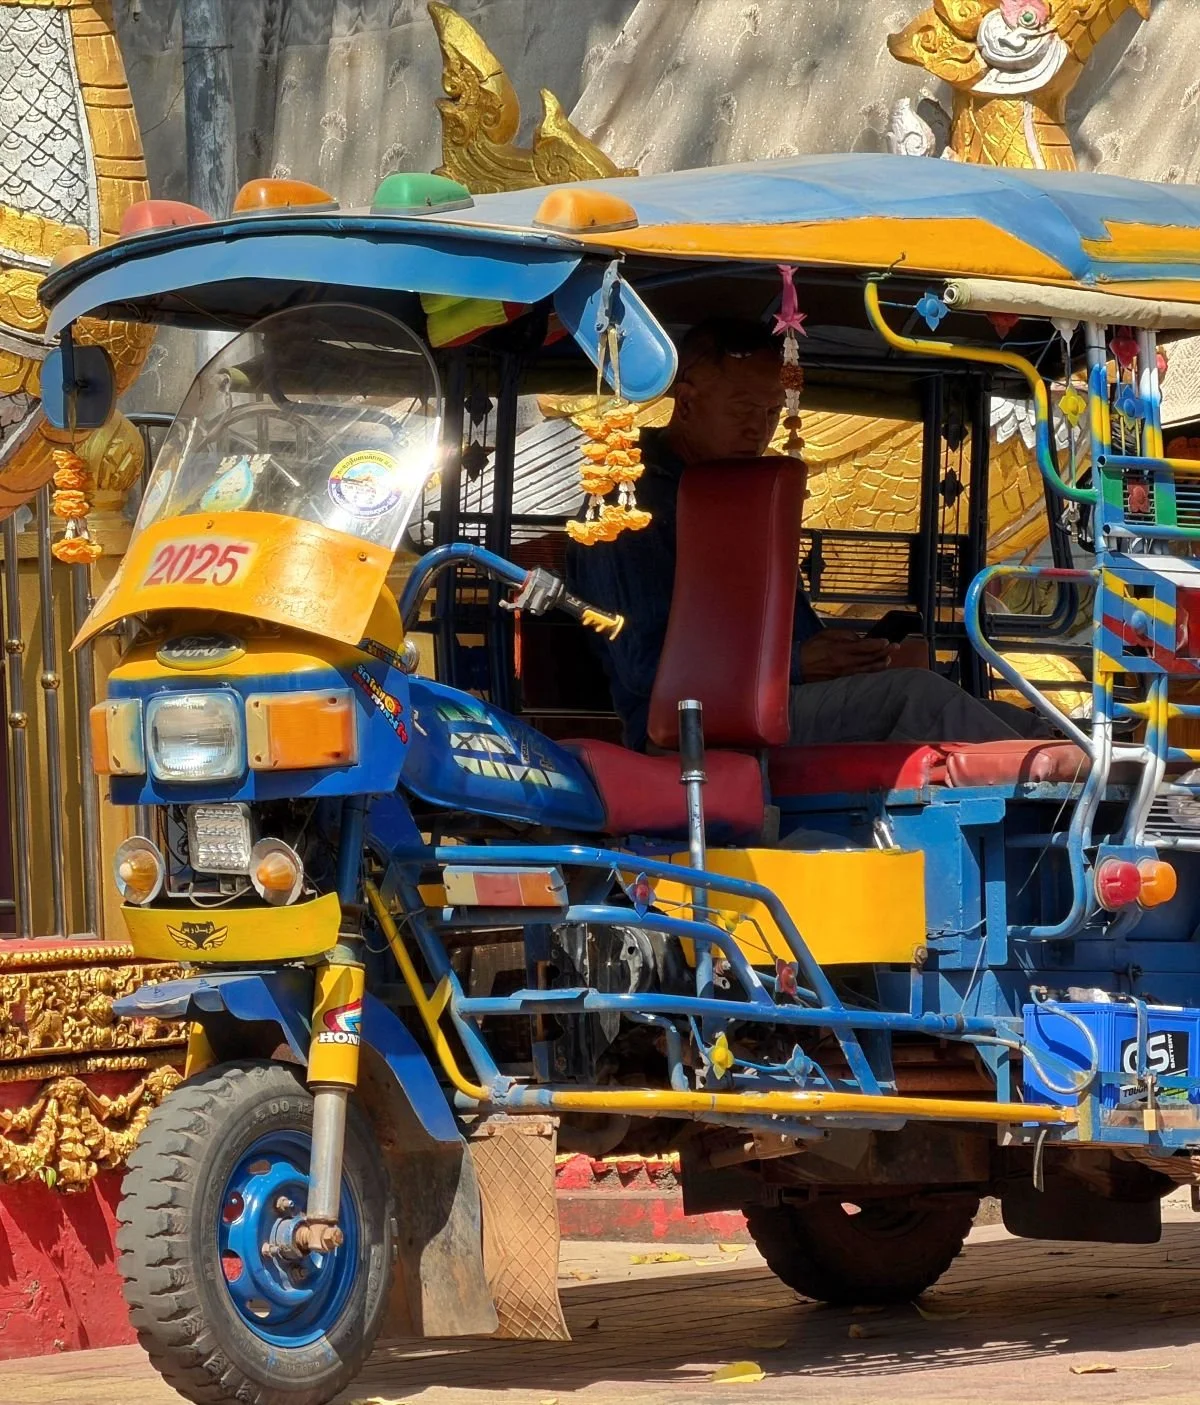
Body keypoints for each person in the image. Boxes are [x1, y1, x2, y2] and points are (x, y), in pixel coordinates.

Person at [566, 317, 1052, 752]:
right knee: (915, 697)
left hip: (781, 700)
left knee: (1017, 725)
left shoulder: (745, 494)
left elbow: (789, 637)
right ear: (687, 402)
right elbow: (643, 669)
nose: (758, 429)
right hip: (688, 728)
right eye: (741, 409)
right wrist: (797, 664)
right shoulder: (625, 502)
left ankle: (1073, 779)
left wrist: (843, 655)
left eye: (772, 412)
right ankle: (1047, 793)